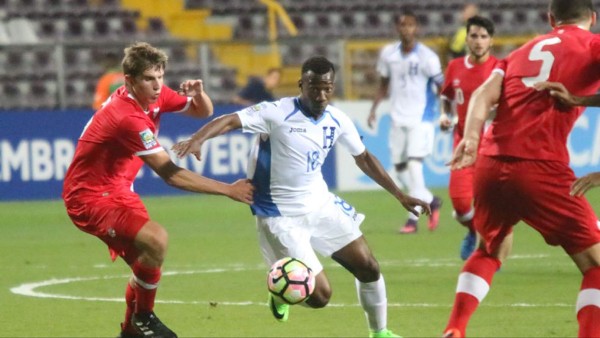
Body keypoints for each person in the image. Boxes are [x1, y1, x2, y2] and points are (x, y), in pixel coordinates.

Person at [172, 56, 431, 338]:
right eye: (314, 88)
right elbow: (229, 120)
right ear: (301, 84)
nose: (321, 95)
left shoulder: (337, 119)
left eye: (327, 88)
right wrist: (199, 138)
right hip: (280, 217)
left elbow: (364, 158)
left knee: (368, 267)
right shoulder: (276, 112)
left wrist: (399, 194)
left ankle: (379, 332)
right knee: (320, 297)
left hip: (320, 204)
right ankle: (280, 291)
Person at [62, 42, 255, 338]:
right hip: (89, 196)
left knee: (145, 262)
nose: (157, 85)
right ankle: (144, 317)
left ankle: (131, 330)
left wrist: (198, 94)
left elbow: (201, 112)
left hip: (120, 190)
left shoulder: (154, 94)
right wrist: (229, 189)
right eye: (149, 79)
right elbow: (170, 174)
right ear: (129, 80)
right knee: (157, 240)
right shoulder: (125, 116)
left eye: (161, 77)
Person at [443, 1, 600, 337]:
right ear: (593, 18)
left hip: (490, 163)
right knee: (596, 265)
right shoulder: (592, 44)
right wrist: (579, 100)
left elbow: (484, 94)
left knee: (491, 249)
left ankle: (455, 328)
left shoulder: (521, 51)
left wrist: (471, 138)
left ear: (550, 19)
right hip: (540, 167)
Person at [368, 11, 444, 234]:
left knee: (414, 165)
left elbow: (442, 87)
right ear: (397, 28)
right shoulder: (388, 54)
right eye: (403, 25)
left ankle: (412, 218)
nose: (406, 29)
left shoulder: (428, 57)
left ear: (417, 28)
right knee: (400, 171)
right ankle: (431, 200)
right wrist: (374, 109)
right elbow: (383, 84)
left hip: (422, 118)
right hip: (397, 118)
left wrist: (446, 111)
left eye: (410, 25)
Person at [439, 15, 498, 261]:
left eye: (483, 36)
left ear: (491, 41)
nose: (478, 41)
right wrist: (444, 114)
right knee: (461, 203)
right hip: (462, 145)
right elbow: (447, 95)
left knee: (492, 205)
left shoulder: (500, 69)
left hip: (493, 146)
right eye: (473, 35)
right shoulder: (455, 67)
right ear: (467, 38)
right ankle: (473, 231)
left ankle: (491, 253)